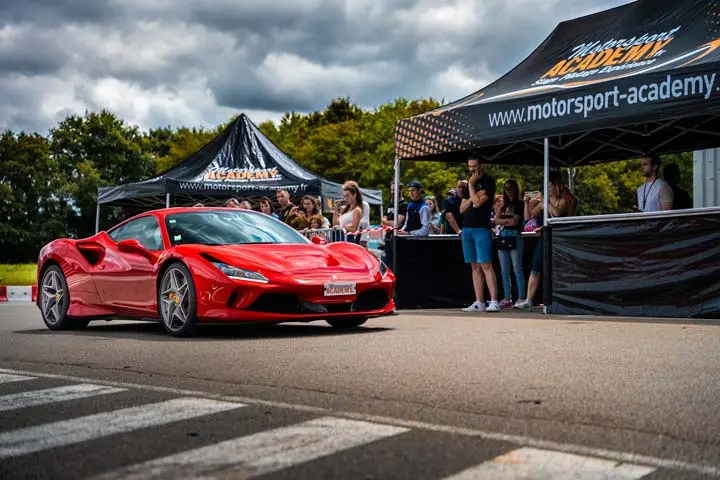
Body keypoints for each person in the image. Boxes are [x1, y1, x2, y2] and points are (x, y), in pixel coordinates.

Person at [459, 156, 499, 312]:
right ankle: (479, 301)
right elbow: (462, 208)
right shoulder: (469, 184)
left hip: (481, 228)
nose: (471, 169)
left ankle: (494, 300)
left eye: (474, 166)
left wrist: (470, 186)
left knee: (486, 264)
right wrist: (473, 193)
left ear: (481, 165)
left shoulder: (488, 181)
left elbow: (477, 203)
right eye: (469, 166)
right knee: (474, 266)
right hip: (467, 227)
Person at [493, 179, 527, 309]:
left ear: (516, 189)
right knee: (504, 270)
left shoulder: (519, 204)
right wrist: (506, 221)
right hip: (503, 236)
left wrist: (503, 221)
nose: (509, 191)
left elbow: (515, 222)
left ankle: (520, 297)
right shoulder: (504, 205)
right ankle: (507, 297)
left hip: (514, 235)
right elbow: (496, 220)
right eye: (506, 188)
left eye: (511, 188)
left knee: (517, 268)